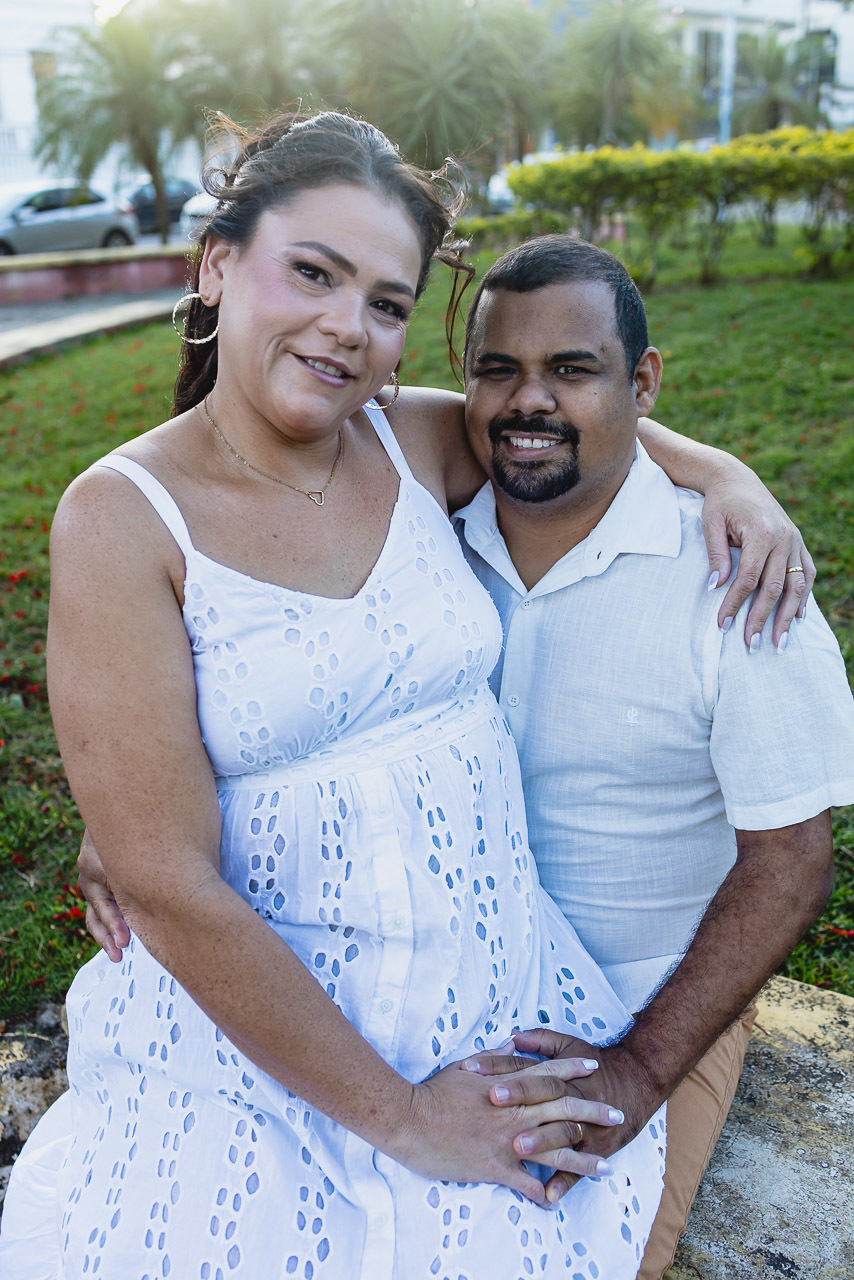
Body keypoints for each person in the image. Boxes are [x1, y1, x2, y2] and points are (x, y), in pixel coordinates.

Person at [0, 112, 813, 1279]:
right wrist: (399, 1117)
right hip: (266, 1027)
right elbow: (167, 882)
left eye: (386, 303)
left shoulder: (409, 440)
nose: (350, 328)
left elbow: (555, 416)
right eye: (314, 274)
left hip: (490, 983)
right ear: (218, 264)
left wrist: (725, 475)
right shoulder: (122, 515)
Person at [449, 235, 854, 1279]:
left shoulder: (734, 581)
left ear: (642, 382)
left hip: (640, 998)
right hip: (444, 976)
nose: (525, 400)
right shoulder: (421, 541)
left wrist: (635, 1069)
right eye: (498, 368)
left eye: (571, 369)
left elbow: (788, 863)